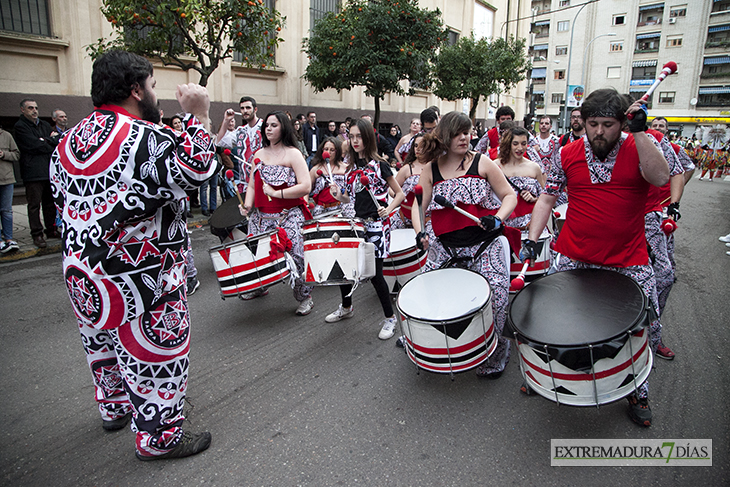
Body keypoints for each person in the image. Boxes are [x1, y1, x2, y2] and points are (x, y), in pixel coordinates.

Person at [49, 50, 216, 460]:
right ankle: (159, 437)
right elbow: (198, 170)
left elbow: (58, 203)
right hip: (143, 274)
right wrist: (198, 115)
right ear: (135, 89)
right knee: (154, 353)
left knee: (101, 344)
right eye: (154, 86)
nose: (157, 94)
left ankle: (115, 407)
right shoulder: (144, 137)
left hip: (84, 273)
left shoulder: (67, 142)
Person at [523, 88, 670, 427]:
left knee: (640, 328)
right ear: (583, 122)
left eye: (608, 124)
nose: (599, 132)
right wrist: (532, 239)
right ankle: (550, 375)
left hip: (628, 259)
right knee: (559, 321)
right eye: (593, 124)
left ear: (622, 121)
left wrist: (641, 132)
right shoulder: (566, 153)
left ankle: (637, 389)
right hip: (575, 255)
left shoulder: (640, 145)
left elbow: (661, 178)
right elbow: (547, 199)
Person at [413, 111, 517, 378]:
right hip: (446, 246)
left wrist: (497, 218)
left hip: (484, 244)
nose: (464, 137)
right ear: (445, 135)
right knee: (423, 295)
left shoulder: (483, 163)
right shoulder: (431, 168)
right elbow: (418, 205)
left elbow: (509, 196)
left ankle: (497, 350)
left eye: (467, 132)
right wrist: (420, 231)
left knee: (494, 296)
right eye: (458, 133)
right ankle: (435, 343)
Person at [326, 118, 405, 339]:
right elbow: (347, 198)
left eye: (359, 136)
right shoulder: (350, 168)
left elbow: (400, 194)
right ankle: (346, 307)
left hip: (377, 225)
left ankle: (390, 319)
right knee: (344, 266)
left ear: (368, 137)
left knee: (375, 274)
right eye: (351, 136)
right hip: (356, 224)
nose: (355, 140)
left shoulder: (380, 165)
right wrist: (337, 195)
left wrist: (388, 209)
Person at [240, 111, 315, 314]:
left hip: (289, 214)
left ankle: (304, 297)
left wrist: (276, 192)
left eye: (274, 125)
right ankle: (259, 287)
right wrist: (247, 205)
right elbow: (253, 186)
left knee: (296, 257)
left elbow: (306, 186)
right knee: (258, 255)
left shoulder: (293, 153)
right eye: (267, 126)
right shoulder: (258, 154)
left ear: (284, 127)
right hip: (262, 215)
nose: (269, 129)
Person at [15, 98, 60, 248]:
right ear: (23, 110)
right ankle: (37, 234)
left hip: (48, 170)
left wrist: (44, 141)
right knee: (34, 205)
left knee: (50, 204)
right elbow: (32, 145)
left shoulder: (45, 124)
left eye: (36, 108)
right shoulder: (20, 126)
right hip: (32, 172)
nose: (34, 111)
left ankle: (51, 229)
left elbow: (57, 141)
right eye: (30, 108)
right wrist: (47, 141)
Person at [497, 127, 545, 230]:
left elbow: (544, 198)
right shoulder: (495, 166)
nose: (520, 148)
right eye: (515, 144)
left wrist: (533, 199)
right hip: (503, 225)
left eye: (524, 144)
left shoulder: (534, 167)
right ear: (508, 144)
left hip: (529, 225)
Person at [216, 96, 263, 190]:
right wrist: (226, 120)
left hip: (263, 181)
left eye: (248, 108)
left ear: (255, 109)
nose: (245, 111)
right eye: (242, 108)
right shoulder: (240, 131)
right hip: (245, 182)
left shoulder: (265, 127)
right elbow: (219, 141)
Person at [309, 137, 354, 217]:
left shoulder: (346, 168)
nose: (328, 152)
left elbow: (351, 192)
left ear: (337, 152)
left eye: (332, 150)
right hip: (322, 210)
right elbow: (307, 188)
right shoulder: (315, 169)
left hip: (342, 208)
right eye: (326, 149)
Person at [391, 132, 427, 230]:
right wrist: (399, 195)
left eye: (422, 145)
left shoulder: (435, 167)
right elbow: (391, 189)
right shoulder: (407, 168)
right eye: (415, 146)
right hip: (404, 217)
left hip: (426, 220)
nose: (418, 149)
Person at [0, 125, 20, 253]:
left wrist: (3, 154)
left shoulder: (6, 135)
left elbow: (16, 155)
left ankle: (9, 239)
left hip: (7, 179)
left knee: (7, 211)